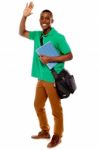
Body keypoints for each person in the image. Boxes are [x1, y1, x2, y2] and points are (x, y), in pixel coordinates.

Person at [19, 2, 73, 148]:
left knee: (56, 110)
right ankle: (45, 131)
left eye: (47, 18)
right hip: (40, 78)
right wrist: (24, 17)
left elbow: (69, 55)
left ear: (51, 21)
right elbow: (21, 32)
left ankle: (57, 136)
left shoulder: (58, 37)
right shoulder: (37, 35)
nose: (44, 20)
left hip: (53, 79)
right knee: (37, 105)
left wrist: (51, 59)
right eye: (42, 18)